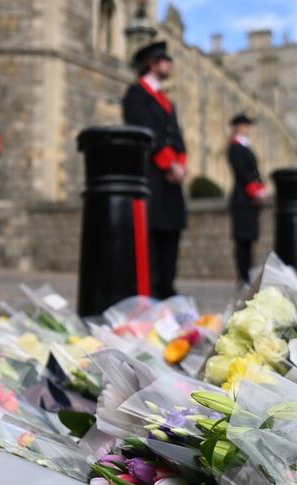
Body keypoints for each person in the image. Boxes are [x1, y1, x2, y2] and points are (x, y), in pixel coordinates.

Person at [123, 41, 187, 299]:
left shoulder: (165, 100)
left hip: (171, 179)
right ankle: (150, 288)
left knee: (172, 231)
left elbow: (177, 136)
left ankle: (168, 286)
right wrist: (168, 163)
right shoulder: (137, 94)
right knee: (152, 231)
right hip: (151, 175)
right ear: (152, 63)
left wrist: (181, 163)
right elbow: (146, 132)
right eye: (165, 59)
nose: (169, 63)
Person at [227, 113, 266, 286]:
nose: (247, 128)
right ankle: (242, 276)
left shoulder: (246, 147)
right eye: (244, 125)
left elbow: (255, 173)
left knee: (249, 239)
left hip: (250, 201)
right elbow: (243, 173)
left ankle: (248, 273)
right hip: (243, 198)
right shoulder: (235, 147)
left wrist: (261, 190)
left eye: (248, 125)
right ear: (237, 127)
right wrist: (255, 192)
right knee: (242, 240)